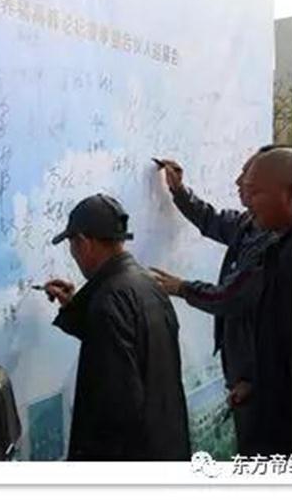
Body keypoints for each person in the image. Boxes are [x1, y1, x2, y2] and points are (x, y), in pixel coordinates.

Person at [42, 194, 191, 461]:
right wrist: (75, 306)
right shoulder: (150, 286)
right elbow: (130, 345)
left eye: (72, 246)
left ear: (84, 243)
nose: (74, 255)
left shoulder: (108, 303)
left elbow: (113, 408)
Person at [149, 148, 277, 454]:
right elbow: (212, 219)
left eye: (248, 177)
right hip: (247, 372)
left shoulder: (273, 245)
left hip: (260, 376)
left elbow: (230, 296)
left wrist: (181, 288)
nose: (238, 182)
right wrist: (179, 191)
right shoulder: (250, 224)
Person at [243, 147, 292, 456]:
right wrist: (256, 382)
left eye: (255, 192)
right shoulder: (280, 248)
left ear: (291, 194)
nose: (247, 202)